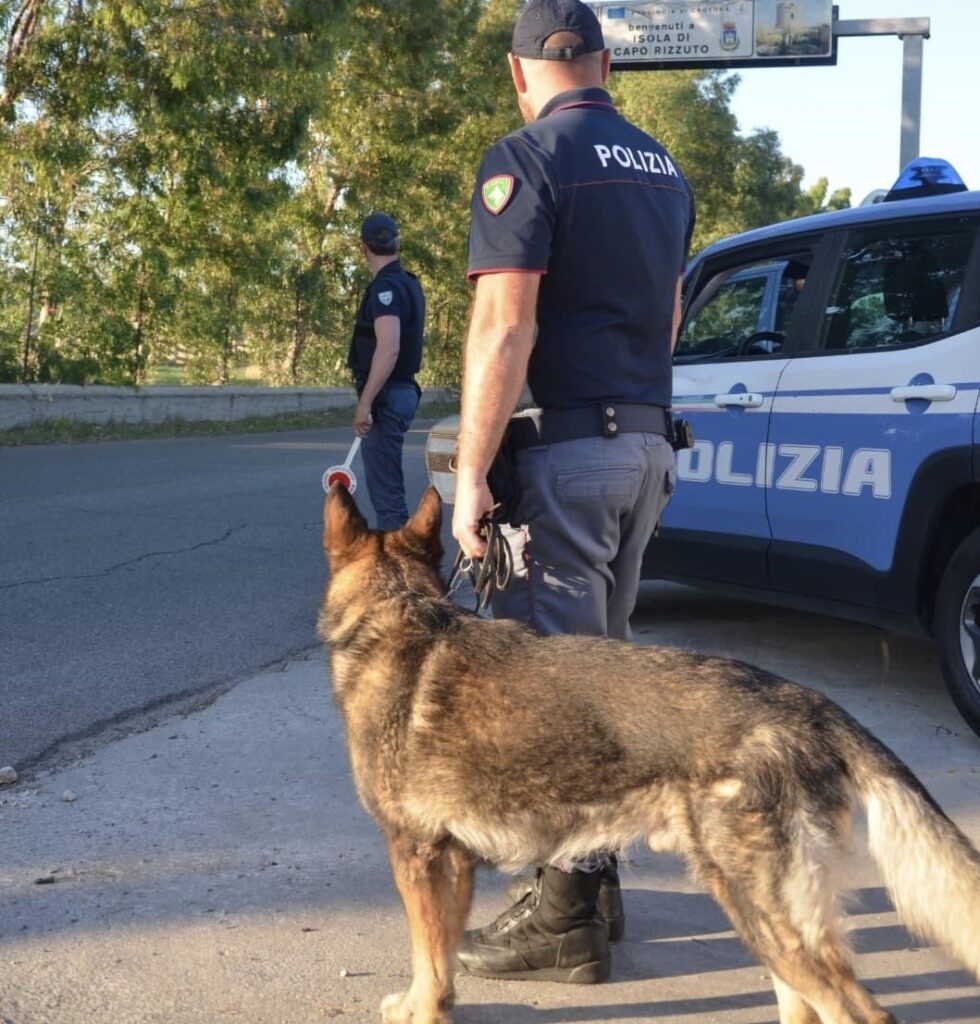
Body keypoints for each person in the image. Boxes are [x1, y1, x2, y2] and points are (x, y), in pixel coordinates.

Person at [451, 0, 695, 985]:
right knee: (607, 680)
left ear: (519, 74)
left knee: (558, 698)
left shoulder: (526, 157)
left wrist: (468, 473)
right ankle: (596, 886)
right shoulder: (662, 167)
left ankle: (562, 921)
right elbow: (669, 314)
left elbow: (502, 327)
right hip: (643, 450)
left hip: (568, 456)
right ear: (602, 63)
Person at [347, 212, 426, 530]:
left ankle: (399, 574)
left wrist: (365, 402)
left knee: (388, 500)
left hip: (388, 395)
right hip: (402, 391)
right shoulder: (408, 283)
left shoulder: (386, 289)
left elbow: (389, 346)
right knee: (389, 493)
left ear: (362, 247)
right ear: (398, 242)